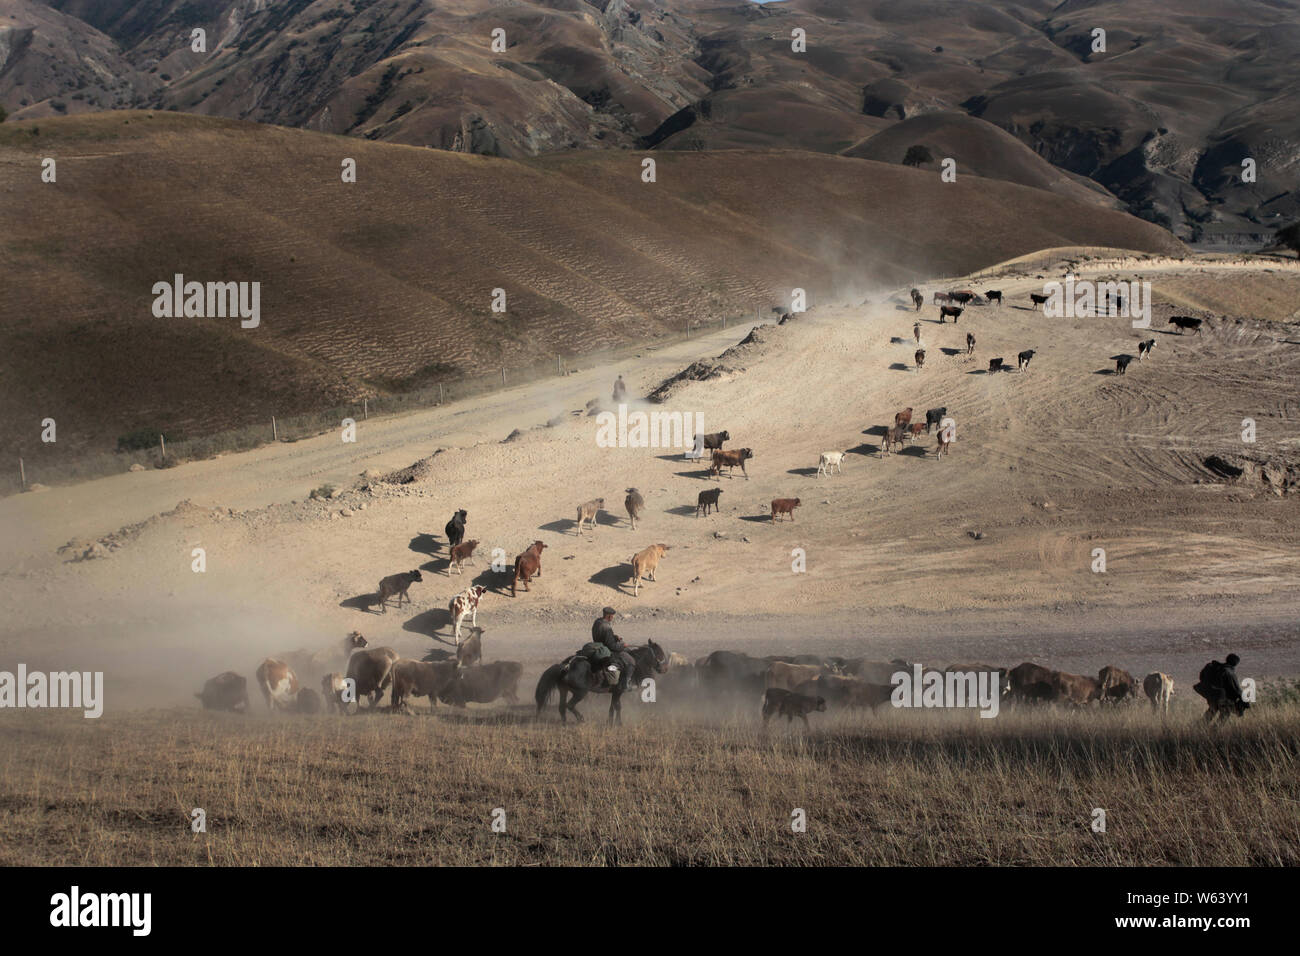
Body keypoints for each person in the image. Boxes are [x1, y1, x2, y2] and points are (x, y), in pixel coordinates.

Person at [1194, 653, 1248, 723]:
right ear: (1236, 664)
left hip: (1210, 694)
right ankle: (1215, 730)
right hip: (1220, 696)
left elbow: (1201, 676)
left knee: (1212, 710)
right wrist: (1244, 699)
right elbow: (1236, 689)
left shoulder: (1217, 667)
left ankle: (1199, 727)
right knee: (1225, 713)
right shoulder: (1229, 672)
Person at [593, 606, 635, 692]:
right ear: (609, 616)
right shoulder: (607, 627)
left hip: (598, 645)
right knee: (630, 661)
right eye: (612, 616)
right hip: (607, 650)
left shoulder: (597, 622)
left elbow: (603, 636)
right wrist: (623, 646)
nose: (612, 618)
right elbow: (611, 646)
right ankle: (626, 684)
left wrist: (614, 637)